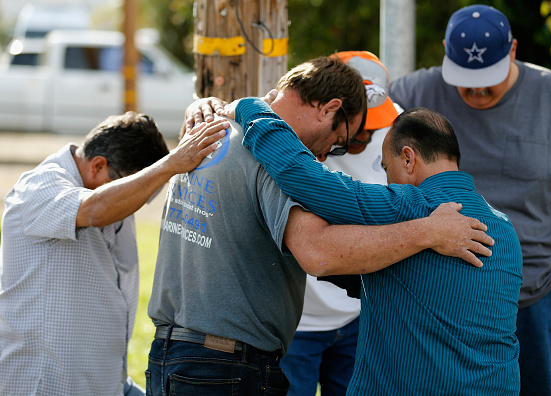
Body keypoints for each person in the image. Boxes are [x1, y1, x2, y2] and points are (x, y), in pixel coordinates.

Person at [145, 56, 493, 396]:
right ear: (328, 109)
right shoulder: (275, 159)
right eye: (340, 141)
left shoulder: (211, 131)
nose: (326, 156)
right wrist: (429, 232)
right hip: (224, 368)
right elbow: (318, 253)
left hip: (168, 354)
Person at [224, 97, 522, 393]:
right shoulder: (506, 230)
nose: (386, 178)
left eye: (385, 166)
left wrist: (249, 107)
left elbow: (302, 175)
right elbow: (422, 288)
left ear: (408, 158)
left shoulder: (406, 207)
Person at [388, 4, 551, 395]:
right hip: (447, 297)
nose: (477, 90)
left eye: (488, 79)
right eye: (466, 81)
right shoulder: (415, 94)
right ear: (447, 54)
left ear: (513, 51)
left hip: (543, 295)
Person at [0, 111, 228, 395]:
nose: (139, 200)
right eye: (135, 186)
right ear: (98, 166)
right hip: (46, 383)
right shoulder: (37, 187)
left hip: (107, 382)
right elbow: (94, 210)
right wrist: (169, 165)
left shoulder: (112, 192)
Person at [279, 51, 400, 396]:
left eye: (374, 122)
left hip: (358, 318)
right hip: (295, 322)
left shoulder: (400, 130)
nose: (363, 134)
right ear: (329, 109)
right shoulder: (293, 136)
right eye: (355, 124)